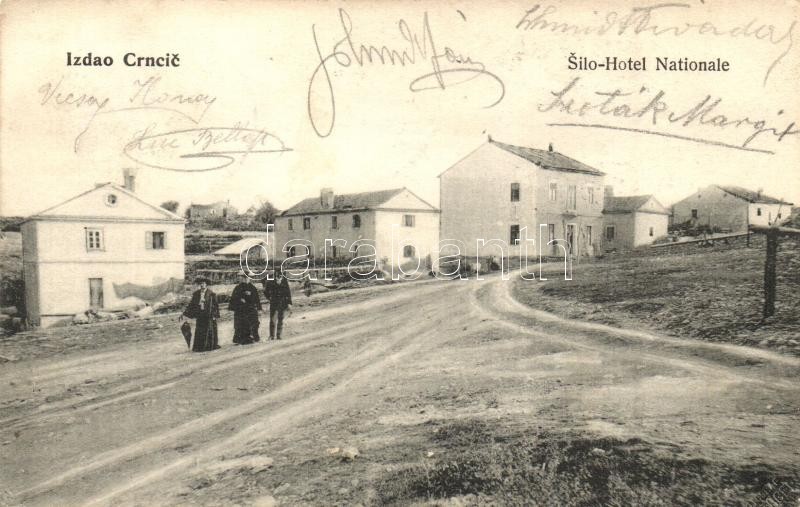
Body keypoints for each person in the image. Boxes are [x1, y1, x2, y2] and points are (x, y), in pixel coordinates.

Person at [180, 277, 220, 352]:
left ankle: (208, 346)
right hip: (200, 314)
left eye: (203, 283)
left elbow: (215, 306)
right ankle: (199, 347)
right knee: (199, 330)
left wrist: (215, 315)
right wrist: (185, 313)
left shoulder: (211, 294)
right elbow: (191, 305)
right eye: (200, 284)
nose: (202, 285)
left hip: (208, 314)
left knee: (208, 330)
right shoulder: (196, 294)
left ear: (206, 284)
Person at [229, 272, 262, 345]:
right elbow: (233, 298)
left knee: (252, 323)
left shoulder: (253, 288)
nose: (247, 279)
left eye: (248, 278)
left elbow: (257, 299)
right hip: (240, 310)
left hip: (250, 309)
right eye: (245, 278)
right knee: (240, 324)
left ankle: (252, 337)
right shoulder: (238, 287)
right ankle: (240, 339)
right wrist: (240, 299)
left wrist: (259, 308)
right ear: (243, 278)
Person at [262, 268, 292, 340]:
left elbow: (288, 293)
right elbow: (265, 291)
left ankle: (279, 335)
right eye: (278, 274)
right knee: (273, 319)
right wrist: (269, 298)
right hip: (274, 303)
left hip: (283, 303)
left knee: (281, 319)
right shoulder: (271, 281)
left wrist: (289, 303)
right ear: (275, 274)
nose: (279, 276)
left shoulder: (284, 281)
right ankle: (271, 336)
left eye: (281, 274)